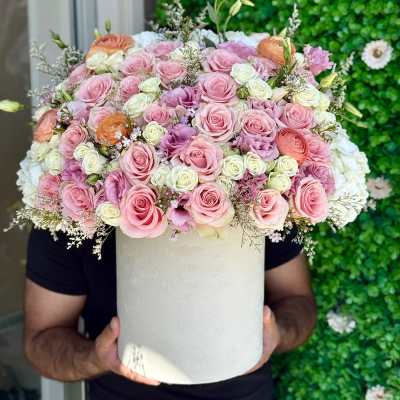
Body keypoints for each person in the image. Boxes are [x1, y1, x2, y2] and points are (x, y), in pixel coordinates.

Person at [24, 228, 316, 400]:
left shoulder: (257, 190)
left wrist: (278, 333)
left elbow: (296, 300)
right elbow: (41, 340)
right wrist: (97, 358)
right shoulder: (71, 207)